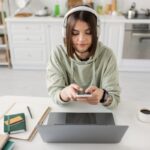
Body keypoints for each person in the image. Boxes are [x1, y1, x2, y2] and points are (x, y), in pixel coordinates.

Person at [46, 5, 120, 109]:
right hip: (68, 109)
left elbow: (114, 99)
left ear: (96, 33)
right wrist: (64, 93)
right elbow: (54, 93)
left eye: (88, 33)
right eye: (75, 33)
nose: (81, 39)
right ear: (66, 34)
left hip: (98, 110)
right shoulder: (58, 54)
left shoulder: (107, 56)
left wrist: (103, 96)